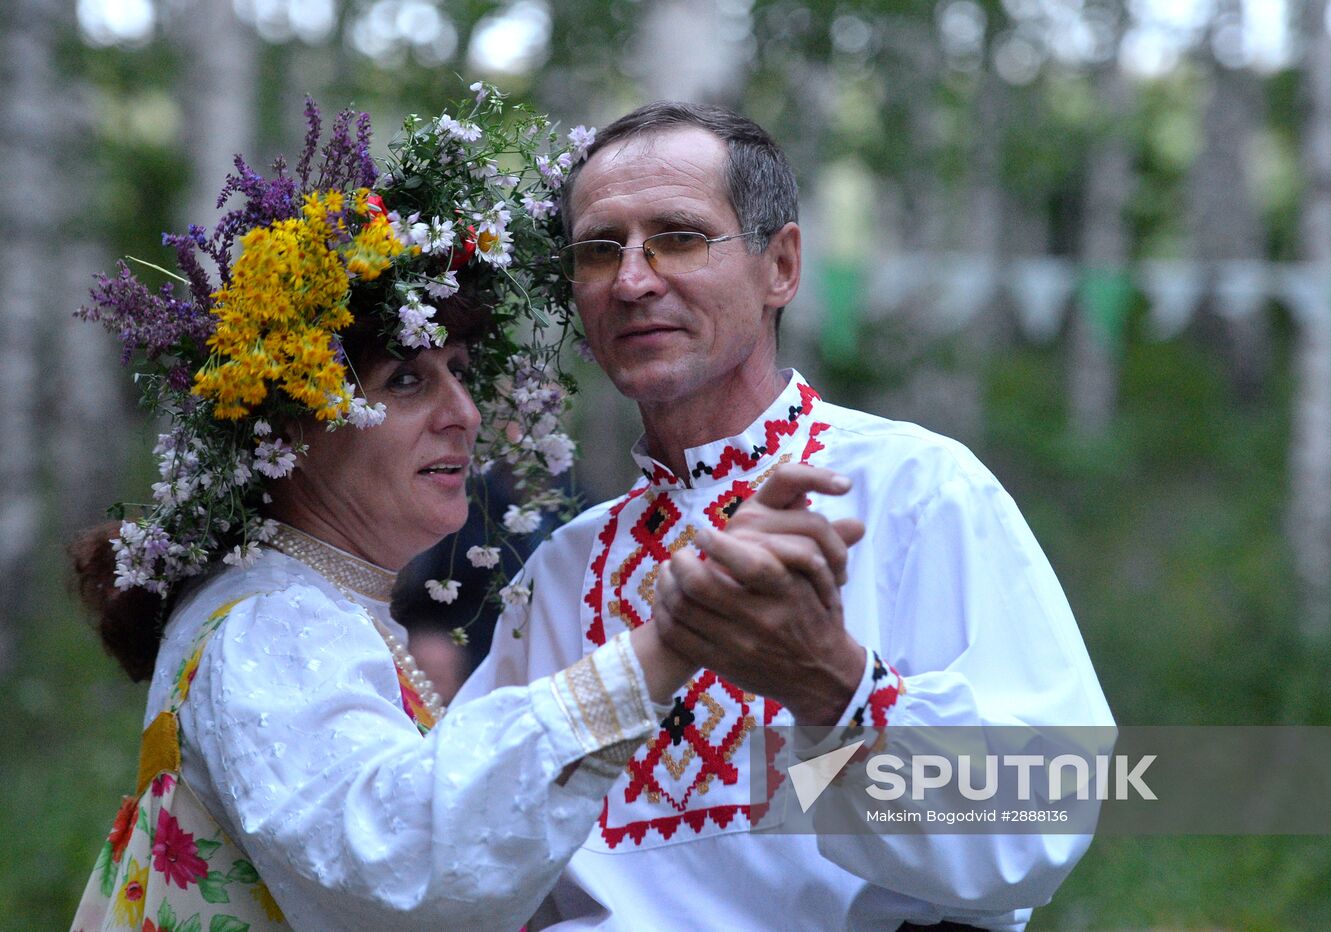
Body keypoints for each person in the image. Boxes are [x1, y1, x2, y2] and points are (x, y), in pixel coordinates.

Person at [457, 102, 1115, 930]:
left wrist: (832, 688)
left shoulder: (915, 489)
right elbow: (469, 852)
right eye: (600, 249)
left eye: (680, 236)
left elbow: (1045, 819)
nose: (632, 280)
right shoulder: (560, 570)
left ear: (782, 266)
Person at [69, 90, 705, 930]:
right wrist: (656, 658)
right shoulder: (276, 628)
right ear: (291, 426)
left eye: (460, 370)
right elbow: (398, 870)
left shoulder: (307, 605)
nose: (466, 413)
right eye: (406, 380)